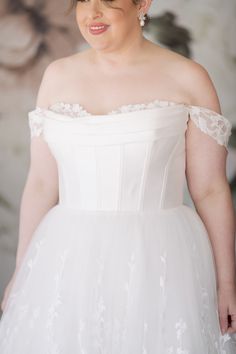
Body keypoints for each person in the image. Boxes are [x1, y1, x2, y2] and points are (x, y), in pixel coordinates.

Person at [0, 0, 236, 352]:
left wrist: (227, 283)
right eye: (83, 0)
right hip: (67, 257)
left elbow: (211, 190)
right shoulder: (57, 75)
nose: (92, 12)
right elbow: (42, 183)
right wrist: (23, 271)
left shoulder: (187, 77)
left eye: (107, 0)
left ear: (142, 2)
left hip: (160, 257)